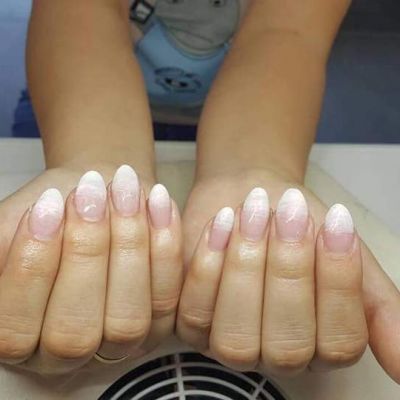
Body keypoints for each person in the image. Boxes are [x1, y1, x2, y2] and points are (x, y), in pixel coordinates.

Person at [0, 0, 399, 383]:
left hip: (267, 105)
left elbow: (286, 31)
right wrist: (94, 162)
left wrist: (253, 170)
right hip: (73, 96)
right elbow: (78, 13)